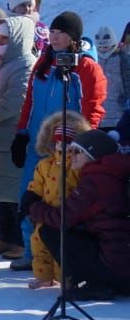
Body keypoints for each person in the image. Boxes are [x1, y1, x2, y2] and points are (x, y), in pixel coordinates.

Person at [8, 10, 107, 271]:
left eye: (61, 32)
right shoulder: (42, 64)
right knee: (29, 200)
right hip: (37, 145)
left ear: (73, 37)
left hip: (67, 150)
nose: (55, 37)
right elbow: (29, 103)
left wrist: (84, 143)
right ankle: (33, 254)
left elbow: (93, 108)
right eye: (52, 31)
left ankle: (61, 261)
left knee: (61, 204)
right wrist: (21, 134)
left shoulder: (85, 68)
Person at [27, 129, 130, 299]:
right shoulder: (111, 173)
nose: (71, 155)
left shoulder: (97, 180)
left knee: (51, 231)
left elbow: (62, 218)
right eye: (70, 150)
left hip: (115, 268)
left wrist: (35, 208)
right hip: (121, 261)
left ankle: (96, 284)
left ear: (93, 154)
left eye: (77, 151)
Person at [0, 12, 39, 261]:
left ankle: (18, 240)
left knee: (13, 190)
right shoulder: (2, 63)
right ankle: (5, 236)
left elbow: (16, 102)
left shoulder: (27, 64)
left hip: (12, 135)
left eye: (5, 38)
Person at [20, 110, 92, 288]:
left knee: (63, 248)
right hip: (45, 213)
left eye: (68, 143)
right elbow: (36, 185)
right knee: (39, 244)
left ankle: (66, 278)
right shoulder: (45, 164)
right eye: (59, 141)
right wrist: (28, 201)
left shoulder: (77, 165)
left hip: (68, 215)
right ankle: (44, 276)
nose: (63, 146)